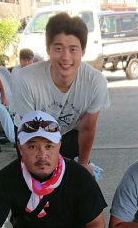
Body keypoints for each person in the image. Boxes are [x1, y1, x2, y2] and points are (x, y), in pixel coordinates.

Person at [0, 110, 114, 228]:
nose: (42, 155)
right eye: (32, 146)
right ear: (21, 148)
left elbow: (97, 225)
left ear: (59, 146)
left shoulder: (79, 176)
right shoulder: (6, 178)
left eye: (49, 146)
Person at [10, 12, 109, 172]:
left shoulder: (96, 82)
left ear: (82, 51)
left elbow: (87, 128)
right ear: (48, 49)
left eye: (73, 49)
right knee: (37, 181)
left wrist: (83, 164)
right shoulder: (25, 79)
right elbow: (32, 136)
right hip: (32, 133)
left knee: (77, 182)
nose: (65, 57)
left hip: (70, 132)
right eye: (58, 48)